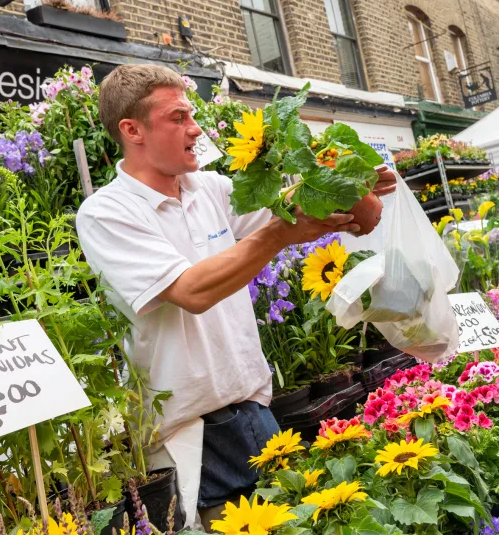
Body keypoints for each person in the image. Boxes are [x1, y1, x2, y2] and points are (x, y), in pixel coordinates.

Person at [75, 64, 396, 530]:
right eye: (178, 117)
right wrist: (279, 234)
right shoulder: (106, 213)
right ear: (132, 130)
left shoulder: (213, 188)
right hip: (192, 435)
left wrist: (349, 188)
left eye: (192, 114)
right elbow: (191, 290)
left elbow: (297, 211)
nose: (196, 128)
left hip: (255, 412)